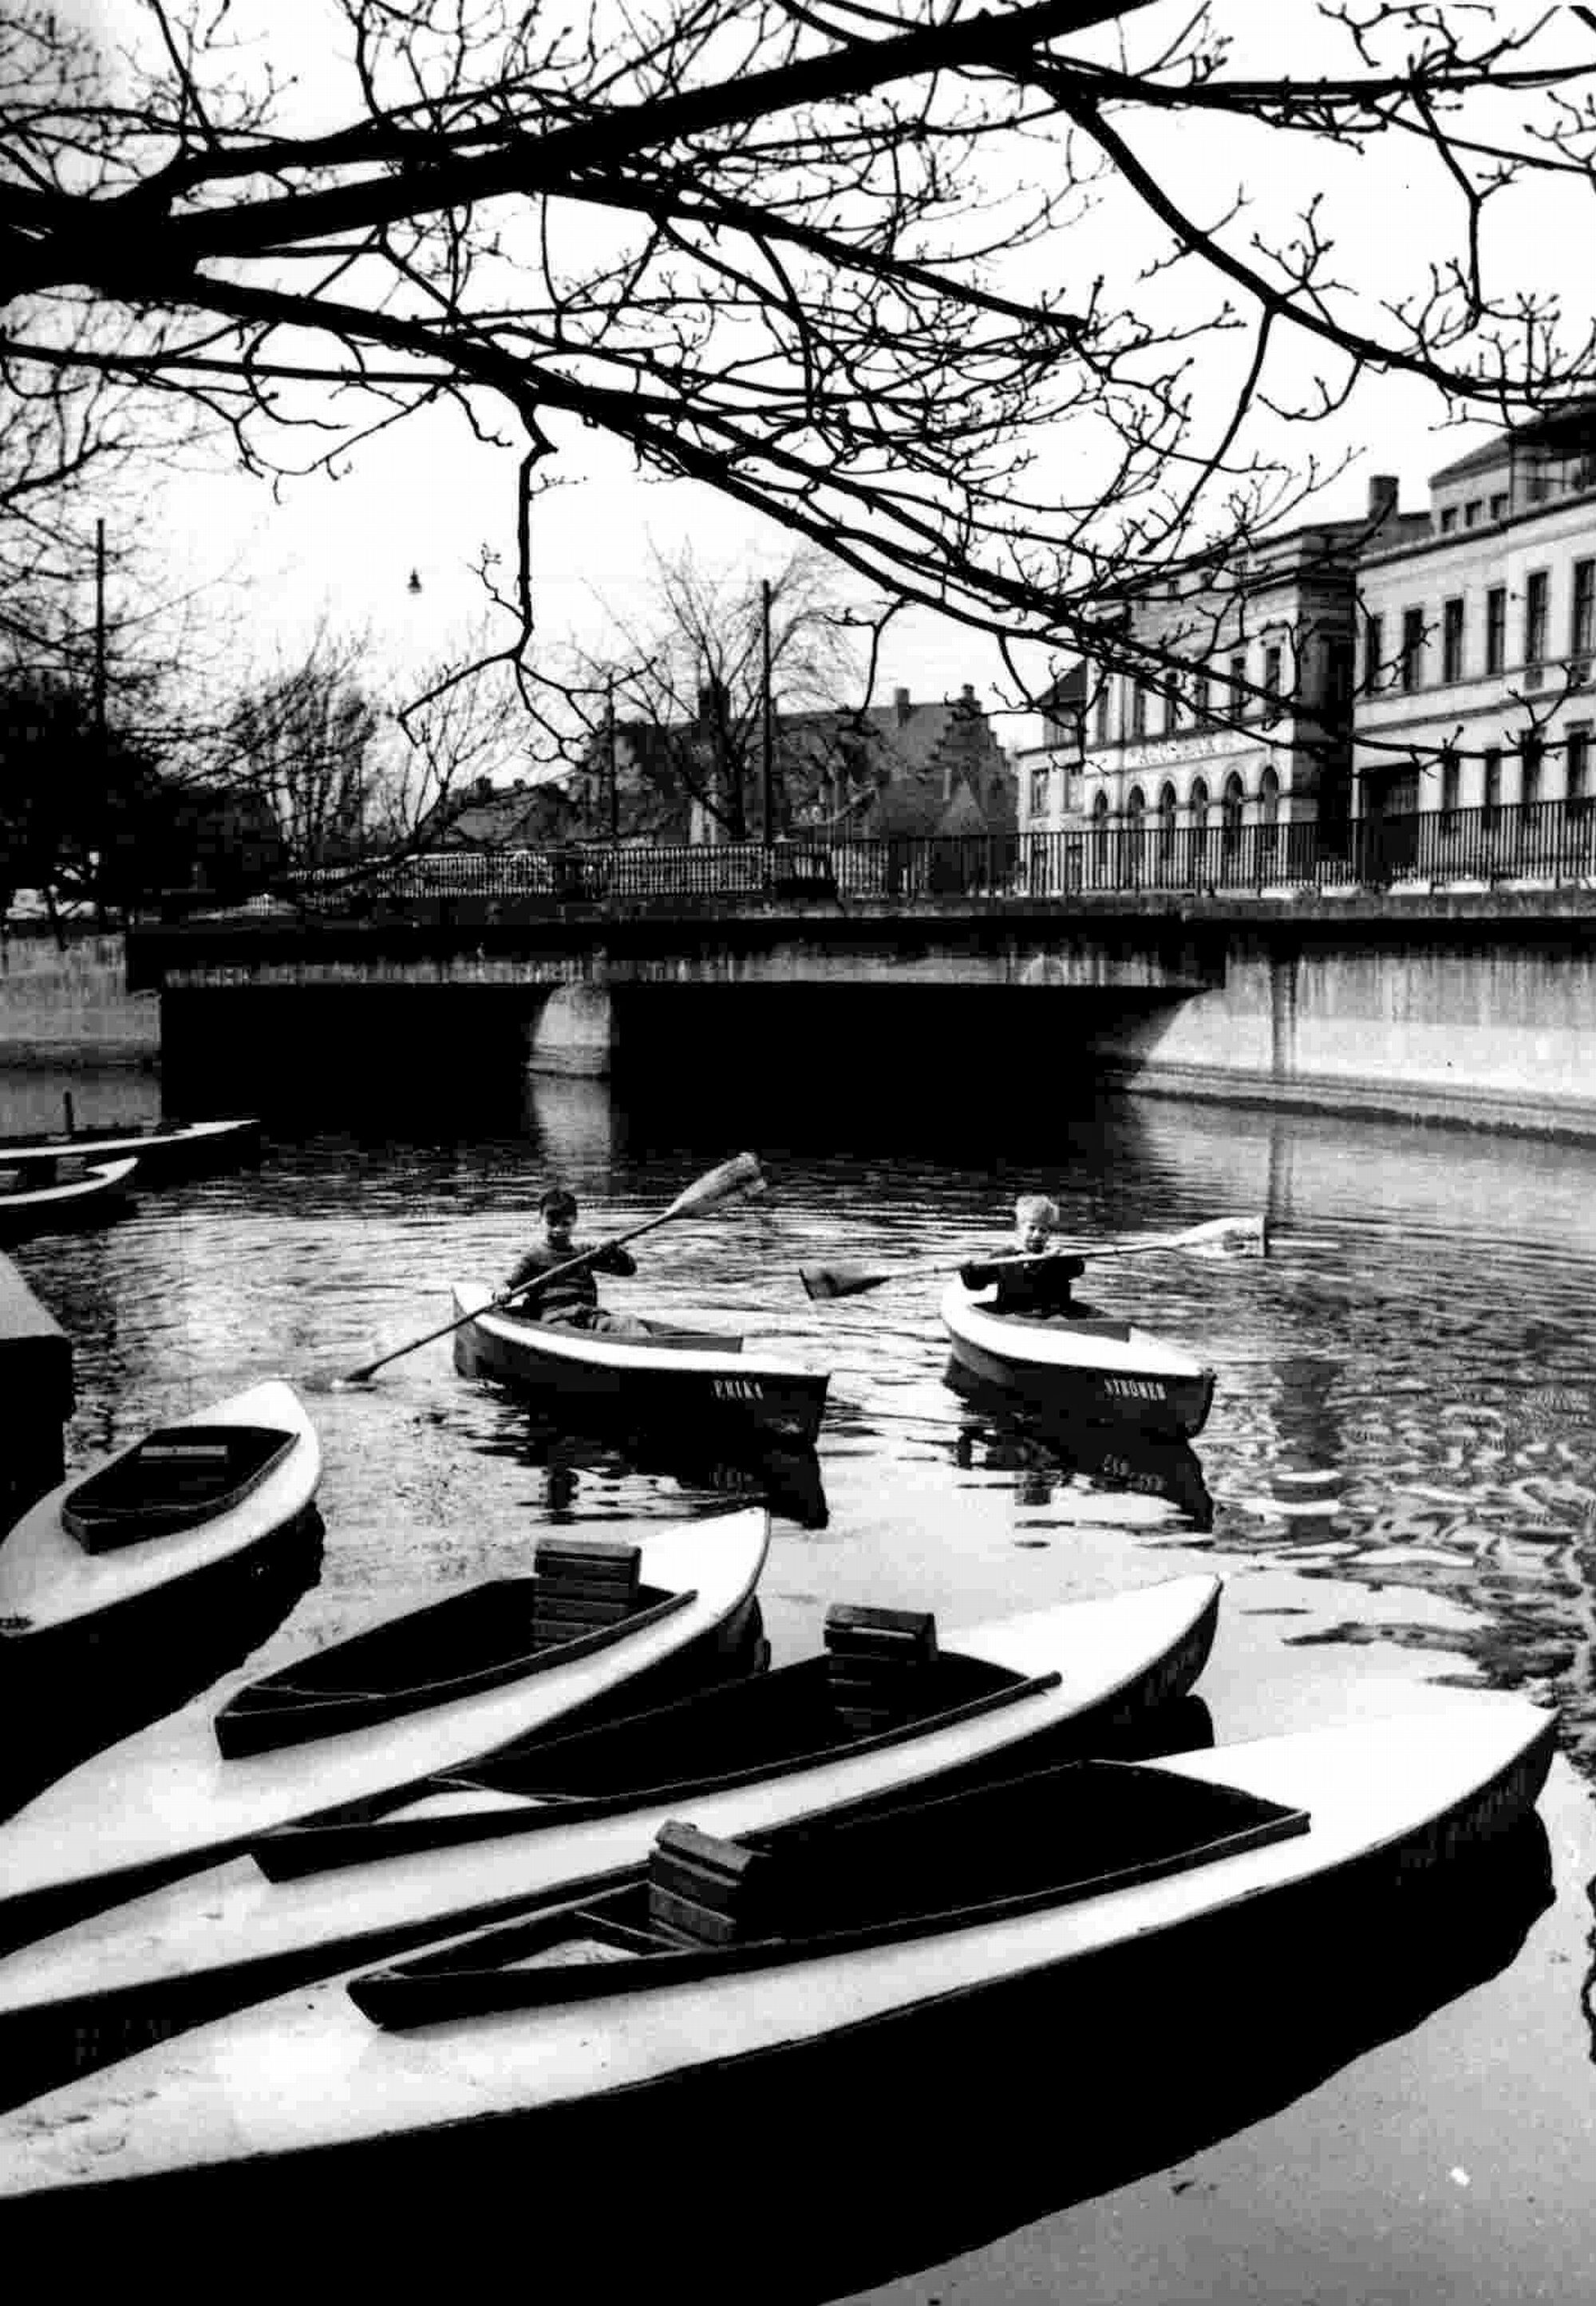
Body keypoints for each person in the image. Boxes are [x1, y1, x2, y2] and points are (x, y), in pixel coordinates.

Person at [503, 1186, 648, 1335]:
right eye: (552, 1224)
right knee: (567, 1332)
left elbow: (628, 1270)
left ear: (575, 1221)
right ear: (540, 1219)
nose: (558, 1230)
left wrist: (616, 1252)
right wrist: (503, 1291)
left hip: (591, 1315)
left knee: (628, 1323)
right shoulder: (533, 1257)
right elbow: (508, 1283)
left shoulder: (585, 1252)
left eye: (565, 1224)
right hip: (556, 1320)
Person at [959, 1193, 1084, 1318]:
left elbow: (1078, 1269)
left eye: (1043, 1230)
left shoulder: (1057, 1259)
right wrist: (967, 1269)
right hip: (1012, 1318)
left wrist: (1062, 1258)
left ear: (1049, 1234)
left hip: (1053, 1318)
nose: (1037, 1235)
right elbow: (976, 1284)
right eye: (1032, 1228)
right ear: (1019, 1228)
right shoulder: (1002, 1256)